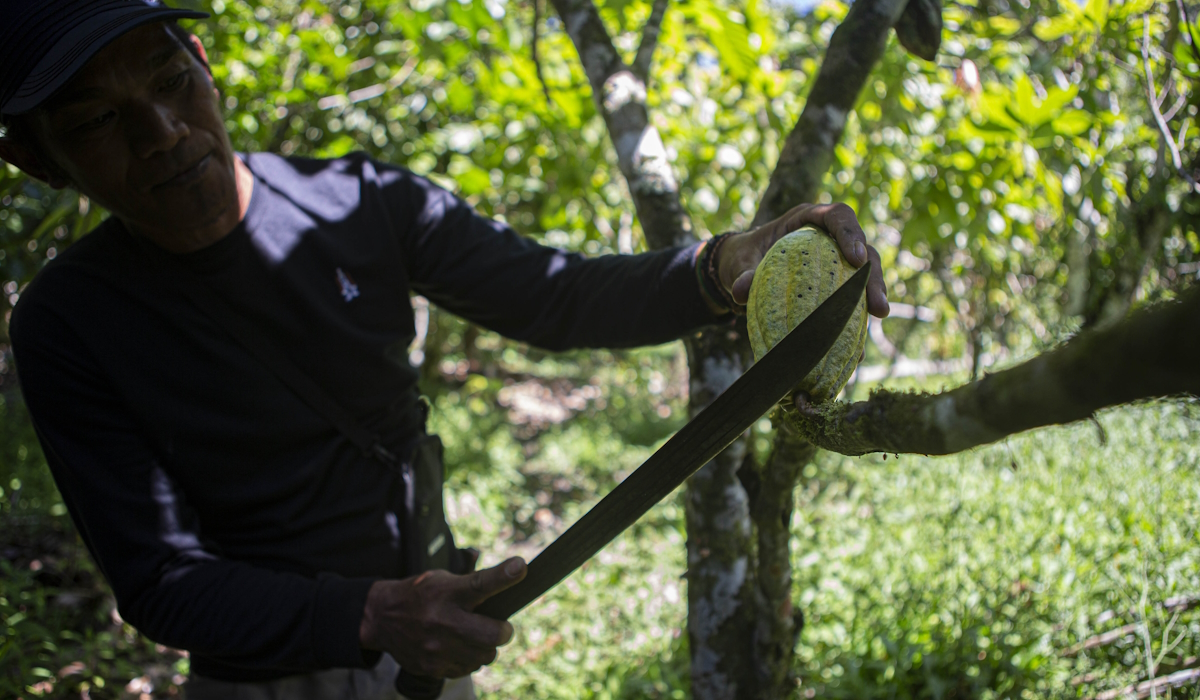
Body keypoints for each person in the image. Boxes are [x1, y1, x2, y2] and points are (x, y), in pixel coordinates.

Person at [0, 1, 890, 698]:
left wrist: (720, 262)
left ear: (205, 67)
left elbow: (557, 296)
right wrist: (376, 613)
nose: (160, 131)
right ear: (37, 162)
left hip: (430, 647)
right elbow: (158, 580)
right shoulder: (66, 322)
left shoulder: (363, 203)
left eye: (169, 80)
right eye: (96, 123)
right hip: (267, 677)